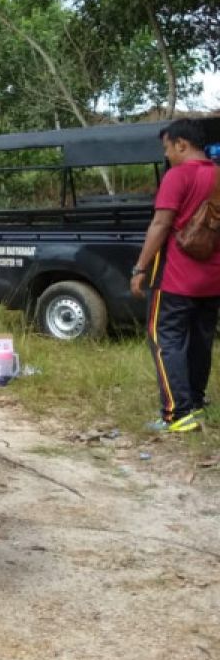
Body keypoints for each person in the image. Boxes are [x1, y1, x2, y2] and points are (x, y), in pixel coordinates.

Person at [131, 118, 220, 433]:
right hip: (213, 280)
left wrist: (140, 267)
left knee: (165, 339)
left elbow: (160, 225)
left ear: (182, 144)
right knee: (200, 340)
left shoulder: (178, 176)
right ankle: (195, 402)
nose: (166, 154)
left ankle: (177, 414)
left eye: (168, 148)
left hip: (176, 279)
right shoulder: (218, 174)